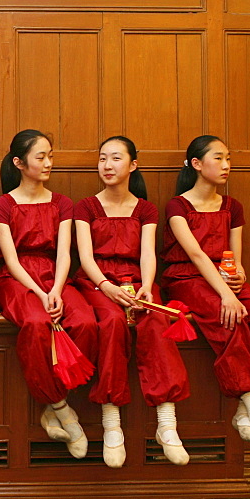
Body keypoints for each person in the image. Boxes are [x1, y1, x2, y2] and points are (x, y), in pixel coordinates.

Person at [162, 135, 250, 462]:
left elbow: (234, 257)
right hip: (187, 277)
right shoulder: (178, 206)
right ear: (196, 164)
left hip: (222, 276)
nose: (226, 164)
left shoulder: (232, 207)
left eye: (228, 158)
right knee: (226, 316)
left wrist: (239, 277)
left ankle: (247, 408)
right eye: (218, 158)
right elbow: (197, 255)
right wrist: (225, 295)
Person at [73, 136, 190, 467]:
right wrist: (107, 286)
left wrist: (148, 287)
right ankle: (112, 423)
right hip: (96, 283)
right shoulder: (86, 206)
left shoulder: (145, 208)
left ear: (132, 165)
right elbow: (84, 256)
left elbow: (148, 254)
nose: (107, 166)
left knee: (156, 320)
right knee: (110, 323)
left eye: (115, 159)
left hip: (137, 282)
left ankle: (167, 424)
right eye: (102, 159)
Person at [0, 129, 98, 459]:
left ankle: (53, 405)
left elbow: (65, 253)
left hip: (57, 276)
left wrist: (55, 289)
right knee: (37, 324)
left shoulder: (62, 202)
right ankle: (64, 410)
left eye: (50, 155)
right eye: (41, 156)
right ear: (19, 162)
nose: (48, 162)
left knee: (86, 323)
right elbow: (10, 258)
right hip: (18, 279)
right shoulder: (4, 204)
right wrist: (40, 293)